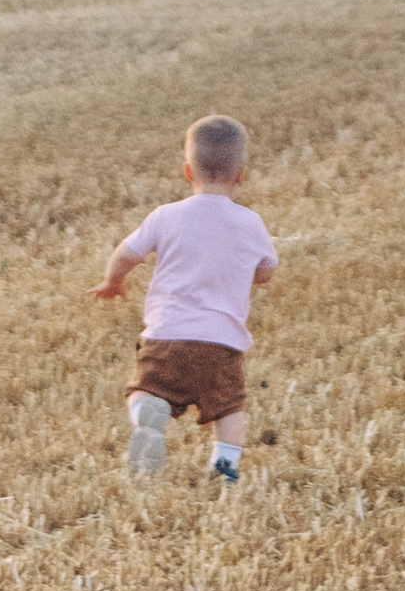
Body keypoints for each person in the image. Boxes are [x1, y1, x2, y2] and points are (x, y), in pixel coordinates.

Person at [93, 112, 277, 487]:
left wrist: (113, 281)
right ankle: (225, 466)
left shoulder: (166, 216)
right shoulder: (250, 223)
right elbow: (265, 271)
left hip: (167, 335)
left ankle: (150, 412)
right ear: (241, 174)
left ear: (187, 172)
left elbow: (126, 254)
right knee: (229, 407)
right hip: (221, 343)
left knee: (145, 388)